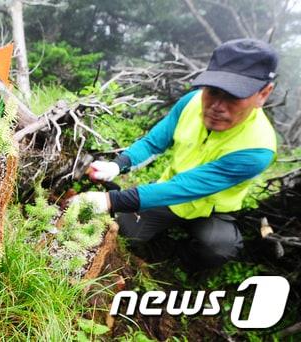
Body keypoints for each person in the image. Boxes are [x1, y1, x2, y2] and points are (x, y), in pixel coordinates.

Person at [69, 38, 278, 271]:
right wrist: (118, 165)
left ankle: (176, 262)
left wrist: (111, 200)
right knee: (127, 234)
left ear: (263, 94)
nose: (217, 105)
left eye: (233, 96)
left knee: (217, 248)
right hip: (167, 196)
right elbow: (153, 143)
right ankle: (155, 246)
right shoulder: (191, 102)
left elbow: (185, 187)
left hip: (212, 210)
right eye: (213, 91)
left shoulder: (258, 148)